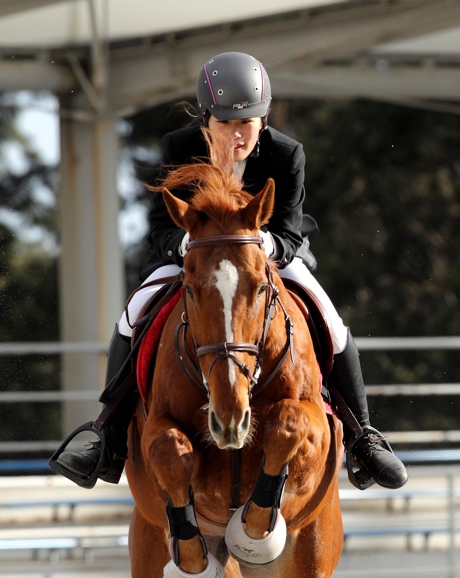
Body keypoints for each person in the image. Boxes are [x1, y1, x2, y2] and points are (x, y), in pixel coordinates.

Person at [53, 51, 408, 492]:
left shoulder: (286, 153)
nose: (238, 135)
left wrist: (260, 247)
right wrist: (189, 243)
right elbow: (161, 226)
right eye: (227, 124)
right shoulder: (179, 147)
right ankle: (106, 437)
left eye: (248, 124)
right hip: (192, 254)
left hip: (270, 257)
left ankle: (363, 437)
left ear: (263, 119)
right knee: (134, 312)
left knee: (331, 322)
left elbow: (291, 232)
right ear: (207, 119)